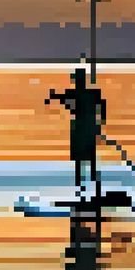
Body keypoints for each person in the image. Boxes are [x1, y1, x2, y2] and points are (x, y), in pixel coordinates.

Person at [47, 68, 106, 201]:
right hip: (85, 127)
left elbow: (101, 104)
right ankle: (83, 186)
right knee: (83, 158)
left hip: (84, 127)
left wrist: (100, 121)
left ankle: (89, 185)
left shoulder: (89, 93)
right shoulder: (89, 93)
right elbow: (61, 98)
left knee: (87, 158)